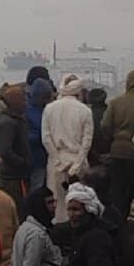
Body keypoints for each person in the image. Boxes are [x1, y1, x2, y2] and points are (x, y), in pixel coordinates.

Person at [99, 70, 134, 221]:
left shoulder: (115, 103)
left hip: (117, 151)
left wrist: (113, 137)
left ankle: (118, 229)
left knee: (119, 194)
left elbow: (104, 125)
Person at [41, 75, 94, 215]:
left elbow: (46, 138)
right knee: (80, 202)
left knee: (57, 204)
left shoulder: (49, 108)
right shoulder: (85, 111)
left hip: (56, 160)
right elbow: (87, 142)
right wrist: (77, 164)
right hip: (78, 158)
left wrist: (57, 161)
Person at [0, 87, 31, 212]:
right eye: (22, 100)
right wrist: (22, 163)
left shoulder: (18, 120)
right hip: (13, 177)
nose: (25, 103)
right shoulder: (8, 124)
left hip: (19, 175)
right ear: (14, 102)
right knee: (19, 209)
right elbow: (5, 151)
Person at [25, 76, 53, 193]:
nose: (47, 100)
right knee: (37, 188)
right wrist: (43, 136)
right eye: (44, 97)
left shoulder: (44, 109)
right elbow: (25, 136)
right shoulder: (27, 111)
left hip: (44, 158)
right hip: (35, 158)